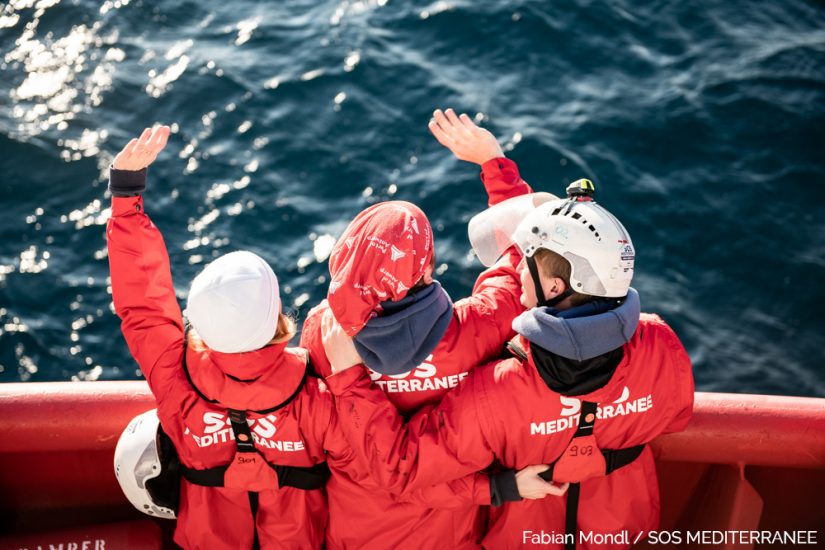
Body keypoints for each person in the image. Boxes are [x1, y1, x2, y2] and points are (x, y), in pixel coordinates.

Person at [321, 177, 695, 549]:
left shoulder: (497, 392)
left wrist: (349, 380)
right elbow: (675, 417)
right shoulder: (661, 343)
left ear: (554, 288)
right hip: (623, 529)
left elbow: (403, 466)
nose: (519, 271)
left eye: (528, 263)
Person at [299, 109, 554, 549]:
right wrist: (494, 164)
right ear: (429, 267)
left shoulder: (324, 334)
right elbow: (523, 256)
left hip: (356, 532)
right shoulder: (483, 323)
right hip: (451, 533)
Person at [106, 126, 355, 550]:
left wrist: (126, 197)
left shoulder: (175, 380)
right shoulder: (317, 396)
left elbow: (143, 306)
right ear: (276, 317)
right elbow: (362, 470)